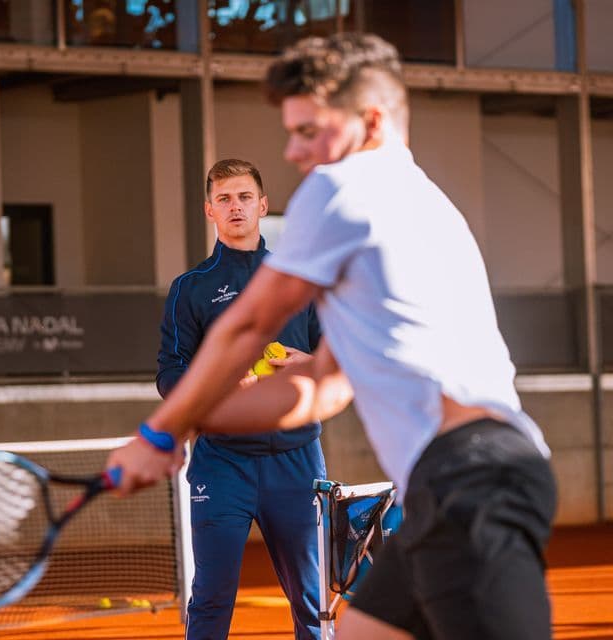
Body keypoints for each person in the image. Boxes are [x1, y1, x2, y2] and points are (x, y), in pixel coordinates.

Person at [109, 32, 556, 640]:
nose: (296, 152)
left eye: (309, 131)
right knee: (361, 630)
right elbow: (321, 387)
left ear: (369, 120)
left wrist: (161, 432)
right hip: (459, 477)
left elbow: (247, 324)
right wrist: (202, 417)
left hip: (471, 477)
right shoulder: (420, 201)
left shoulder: (345, 187)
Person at [158, 158, 324, 640]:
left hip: (297, 461)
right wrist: (219, 389)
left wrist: (308, 364)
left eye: (245, 197)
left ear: (263, 205)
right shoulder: (190, 289)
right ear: (209, 210)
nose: (236, 207)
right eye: (225, 199)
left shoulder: (299, 280)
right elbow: (170, 374)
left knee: (313, 602)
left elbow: (340, 354)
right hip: (222, 463)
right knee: (210, 598)